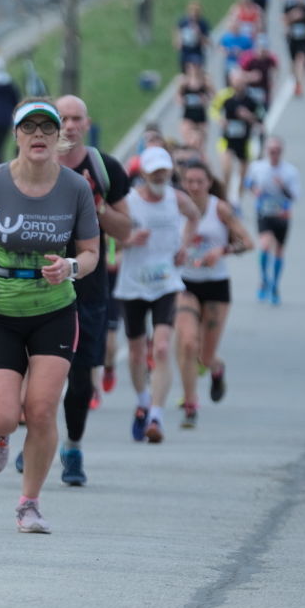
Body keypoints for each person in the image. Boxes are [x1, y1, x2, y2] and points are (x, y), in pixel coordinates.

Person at [0, 99, 99, 534]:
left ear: (59, 137)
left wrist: (70, 267)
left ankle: (29, 504)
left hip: (54, 310)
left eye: (47, 128)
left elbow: (91, 252)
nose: (39, 134)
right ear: (16, 135)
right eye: (29, 127)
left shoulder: (75, 188)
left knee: (40, 410)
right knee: (3, 415)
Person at [51, 95, 132, 486]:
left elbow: (126, 231)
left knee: (81, 376)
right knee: (40, 374)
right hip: (40, 284)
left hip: (88, 287)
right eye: (62, 118)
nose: (68, 125)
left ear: (86, 123)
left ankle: (72, 447)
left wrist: (94, 205)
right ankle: (38, 442)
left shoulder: (104, 168)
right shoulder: (37, 165)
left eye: (75, 119)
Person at [113, 146, 200, 446]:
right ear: (144, 174)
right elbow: (108, 234)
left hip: (166, 282)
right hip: (133, 284)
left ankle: (156, 417)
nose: (160, 176)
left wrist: (184, 246)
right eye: (155, 172)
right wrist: (126, 240)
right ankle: (142, 400)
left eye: (164, 171)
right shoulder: (129, 202)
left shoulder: (176, 199)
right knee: (137, 352)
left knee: (161, 348)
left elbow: (194, 215)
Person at [177, 161, 252, 427]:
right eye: (189, 181)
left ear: (209, 183)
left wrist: (220, 251)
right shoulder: (176, 207)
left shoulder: (219, 209)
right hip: (185, 283)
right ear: (183, 183)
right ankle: (190, 404)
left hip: (216, 285)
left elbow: (247, 242)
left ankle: (216, 369)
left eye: (200, 181)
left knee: (205, 357)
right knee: (187, 343)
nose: (194, 186)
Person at [245, 136, 301, 306]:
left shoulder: (290, 171)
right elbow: (248, 182)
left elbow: (295, 196)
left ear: (281, 152)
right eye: (271, 151)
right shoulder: (257, 167)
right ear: (266, 151)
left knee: (279, 250)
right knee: (263, 245)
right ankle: (264, 279)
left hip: (282, 215)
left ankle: (275, 285)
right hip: (264, 213)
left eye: (277, 151)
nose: (274, 154)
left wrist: (282, 186)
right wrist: (255, 190)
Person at [213, 70, 261, 198]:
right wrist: (220, 119)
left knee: (243, 175)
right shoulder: (225, 97)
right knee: (226, 169)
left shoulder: (252, 100)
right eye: (235, 81)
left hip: (245, 142)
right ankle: (225, 197)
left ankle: (237, 200)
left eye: (240, 81)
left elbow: (261, 120)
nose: (238, 84)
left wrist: (249, 117)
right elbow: (213, 109)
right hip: (227, 140)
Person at [175, 60, 214, 152]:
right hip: (188, 114)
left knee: (201, 145)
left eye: (195, 66)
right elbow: (178, 98)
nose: (193, 69)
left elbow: (213, 96)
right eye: (191, 66)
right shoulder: (184, 82)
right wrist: (183, 100)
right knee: (189, 143)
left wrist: (206, 99)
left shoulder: (205, 81)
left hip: (201, 115)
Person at [173, 0, 211, 72]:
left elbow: (207, 42)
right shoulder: (182, 22)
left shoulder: (203, 24)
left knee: (196, 73)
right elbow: (177, 41)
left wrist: (199, 34)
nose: (193, 14)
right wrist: (179, 40)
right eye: (192, 11)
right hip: (185, 52)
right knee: (185, 74)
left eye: (196, 12)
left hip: (197, 52)